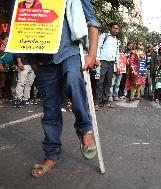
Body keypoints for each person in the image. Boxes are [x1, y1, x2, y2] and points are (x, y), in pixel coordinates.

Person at [30, 0, 100, 177]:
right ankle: (51, 154)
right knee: (50, 108)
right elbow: (20, 25)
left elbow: (91, 22)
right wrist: (30, 60)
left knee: (73, 80)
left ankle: (84, 128)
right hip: (42, 58)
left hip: (70, 51)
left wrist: (91, 54)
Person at [94, 22, 120, 110]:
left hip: (111, 63)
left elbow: (117, 53)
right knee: (99, 81)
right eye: (114, 28)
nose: (115, 30)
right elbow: (97, 47)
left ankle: (104, 100)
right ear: (110, 28)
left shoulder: (117, 40)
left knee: (108, 82)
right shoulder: (104, 36)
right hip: (102, 62)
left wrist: (118, 65)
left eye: (117, 29)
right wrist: (97, 59)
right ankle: (96, 102)